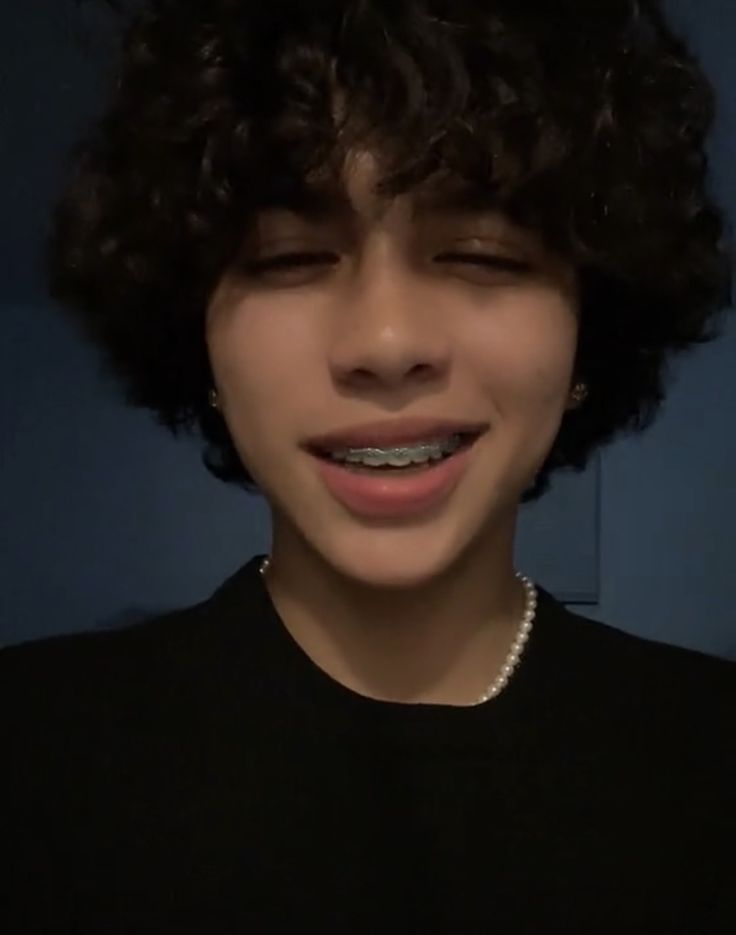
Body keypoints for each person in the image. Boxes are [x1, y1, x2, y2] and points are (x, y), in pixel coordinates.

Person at [2, 0, 735, 931]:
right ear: (199, 339)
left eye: (478, 253)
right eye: (292, 257)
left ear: (591, 331)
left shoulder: (713, 757)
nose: (386, 342)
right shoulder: (29, 754)